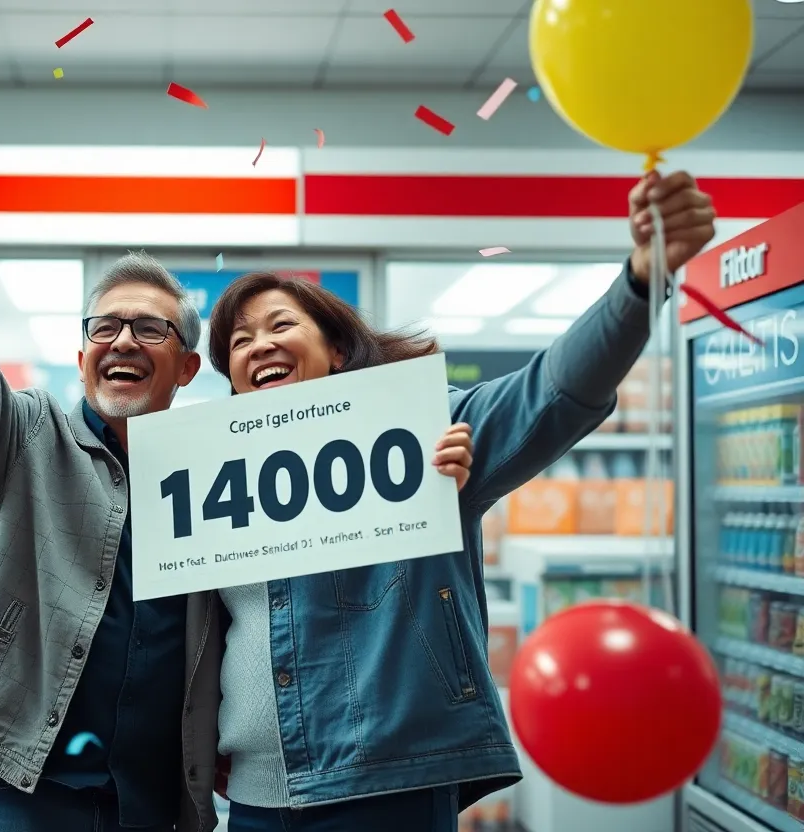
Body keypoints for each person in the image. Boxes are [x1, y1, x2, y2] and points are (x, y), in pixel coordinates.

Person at [0, 77, 477, 831]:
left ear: (187, 367)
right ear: (84, 354)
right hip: (19, 783)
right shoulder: (21, 438)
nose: (123, 340)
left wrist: (427, 461)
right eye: (105, 328)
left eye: (150, 330)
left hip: (158, 796)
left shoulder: (224, 468)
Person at [194, 170, 716, 831]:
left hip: (388, 787)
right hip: (254, 799)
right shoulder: (214, 485)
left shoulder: (425, 436)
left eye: (279, 325)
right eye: (240, 341)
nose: (260, 344)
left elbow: (551, 392)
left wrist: (641, 282)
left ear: (333, 348)